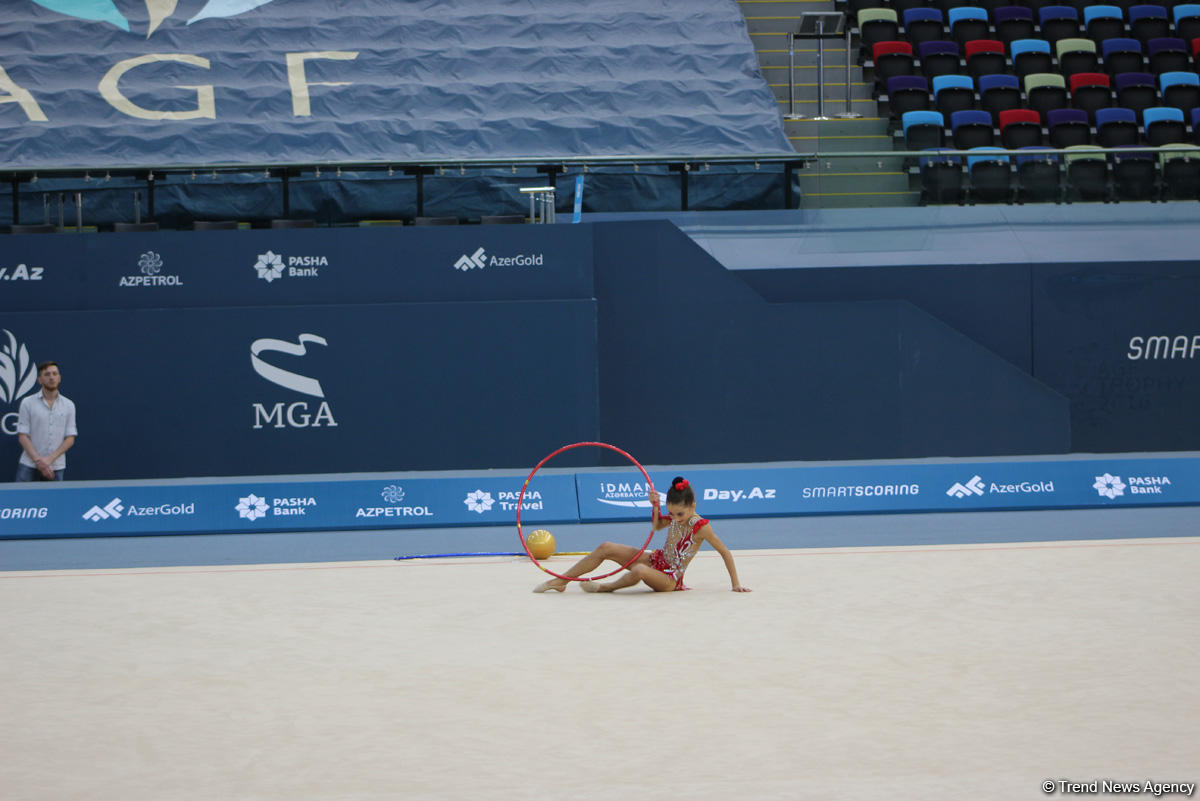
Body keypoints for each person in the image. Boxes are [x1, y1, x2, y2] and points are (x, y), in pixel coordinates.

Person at [533, 476, 750, 593]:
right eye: (671, 513)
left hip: (669, 578)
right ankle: (561, 581)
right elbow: (657, 526)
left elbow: (725, 552)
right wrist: (654, 506)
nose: (675, 518)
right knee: (606, 546)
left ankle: (605, 588)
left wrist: (735, 584)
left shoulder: (701, 526)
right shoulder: (676, 516)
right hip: (657, 560)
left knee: (639, 569)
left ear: (693, 505)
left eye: (680, 514)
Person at [15, 361, 77, 482]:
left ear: (59, 378)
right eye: (47, 374)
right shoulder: (27, 403)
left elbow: (70, 438)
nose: (51, 377)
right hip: (29, 465)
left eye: (54, 374)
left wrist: (49, 460)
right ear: (40, 380)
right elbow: (23, 436)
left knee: (55, 501)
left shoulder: (69, 405)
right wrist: (39, 461)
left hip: (56, 466)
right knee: (22, 500)